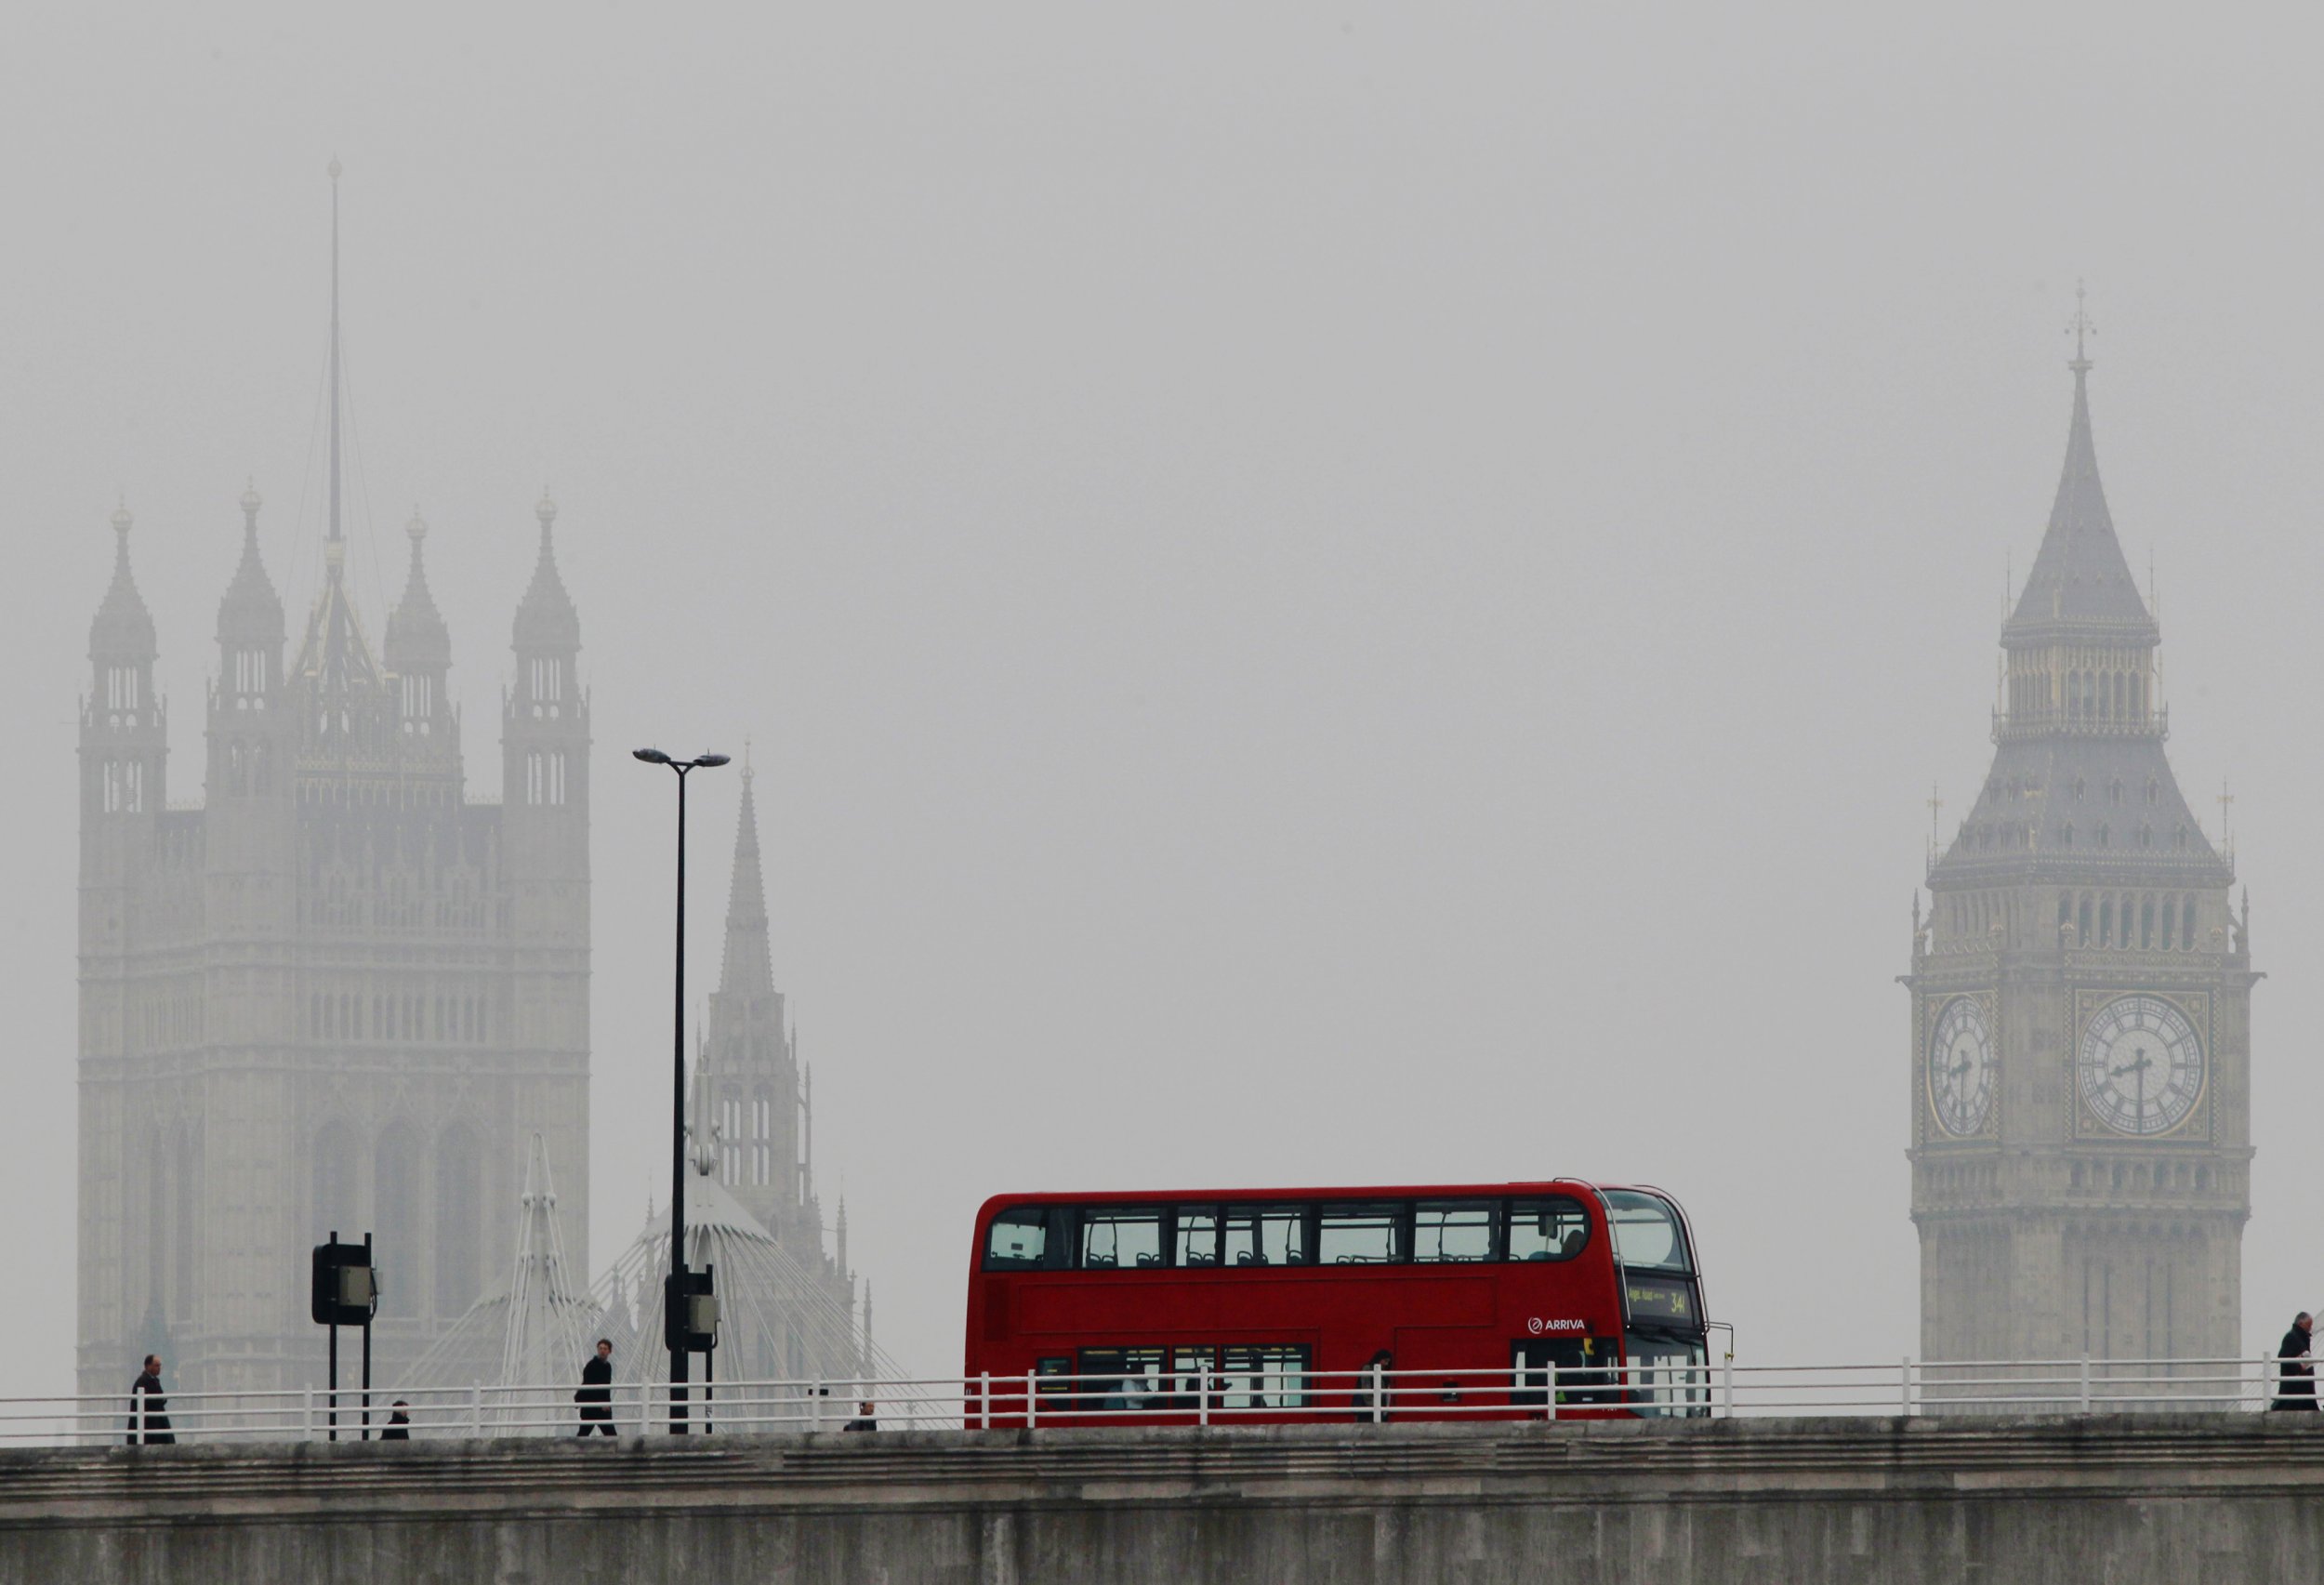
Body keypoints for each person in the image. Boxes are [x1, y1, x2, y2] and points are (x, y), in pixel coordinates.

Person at [126, 1354, 174, 1446]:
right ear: (148, 1366)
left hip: (155, 1421)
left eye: (160, 1365)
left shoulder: (154, 1380)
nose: (159, 1368)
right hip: (148, 1423)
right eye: (156, 1365)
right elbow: (149, 1401)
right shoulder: (142, 1381)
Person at [2274, 1313, 2317, 1411]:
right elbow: (2283, 1357)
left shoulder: (2299, 1337)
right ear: (2301, 1323)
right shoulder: (2291, 1337)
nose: (2310, 1328)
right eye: (2309, 1325)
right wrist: (2299, 1366)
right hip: (2296, 1387)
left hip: (2303, 1388)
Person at [575, 1339, 616, 1435]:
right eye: (600, 1348)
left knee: (610, 1435)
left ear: (609, 1351)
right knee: (584, 1434)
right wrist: (601, 1403)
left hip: (602, 1407)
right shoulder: (591, 1366)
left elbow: (606, 1387)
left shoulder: (608, 1366)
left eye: (605, 1349)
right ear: (597, 1350)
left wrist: (606, 1403)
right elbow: (588, 1386)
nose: (602, 1351)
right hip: (591, 1406)